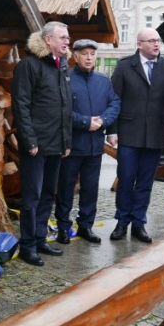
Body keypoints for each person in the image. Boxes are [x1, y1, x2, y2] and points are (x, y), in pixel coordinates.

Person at [10, 21, 72, 266]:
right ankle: (27, 246)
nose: (67, 41)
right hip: (36, 145)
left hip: (57, 144)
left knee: (48, 194)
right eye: (63, 37)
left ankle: (40, 239)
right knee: (32, 197)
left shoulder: (62, 66)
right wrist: (29, 141)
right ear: (48, 40)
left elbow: (67, 106)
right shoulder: (29, 65)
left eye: (68, 38)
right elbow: (21, 106)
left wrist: (67, 141)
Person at [107, 28, 164, 243]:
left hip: (155, 135)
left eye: (158, 40)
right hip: (128, 134)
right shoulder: (125, 66)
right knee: (126, 179)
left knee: (146, 182)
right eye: (152, 41)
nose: (157, 44)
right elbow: (114, 99)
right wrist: (112, 130)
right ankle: (122, 222)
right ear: (139, 44)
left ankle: (138, 223)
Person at [54, 39, 119, 245]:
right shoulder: (65, 79)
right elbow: (60, 110)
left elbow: (114, 103)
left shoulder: (103, 80)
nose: (89, 57)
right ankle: (63, 227)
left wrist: (103, 121)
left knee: (90, 188)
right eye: (84, 53)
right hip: (71, 144)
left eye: (92, 53)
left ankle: (86, 226)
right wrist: (85, 122)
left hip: (94, 145)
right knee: (66, 188)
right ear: (75, 56)